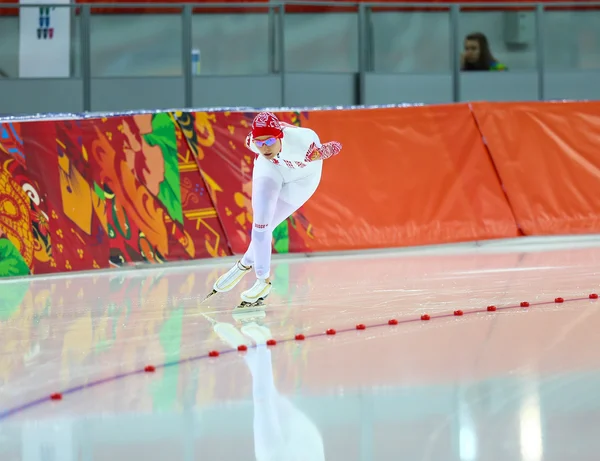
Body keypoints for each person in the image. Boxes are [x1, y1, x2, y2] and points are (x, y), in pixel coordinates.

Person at [208, 111, 342, 306]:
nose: (264, 147)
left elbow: (337, 146)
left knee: (269, 225)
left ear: (279, 136)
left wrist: (322, 152)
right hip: (272, 168)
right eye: (259, 142)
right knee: (261, 223)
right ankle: (263, 280)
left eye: (269, 141)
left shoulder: (303, 145)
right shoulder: (253, 143)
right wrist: (264, 144)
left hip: (303, 179)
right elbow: (261, 144)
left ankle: (243, 264)